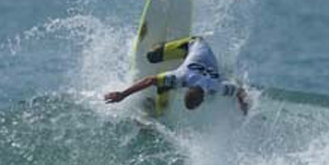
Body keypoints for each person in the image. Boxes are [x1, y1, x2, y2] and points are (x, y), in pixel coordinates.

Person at [104, 36, 249, 114]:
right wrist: (123, 94)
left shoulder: (216, 87)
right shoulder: (181, 77)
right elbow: (149, 80)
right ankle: (164, 45)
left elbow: (240, 91)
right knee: (152, 56)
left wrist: (243, 107)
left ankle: (163, 88)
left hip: (205, 59)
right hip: (194, 44)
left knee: (166, 84)